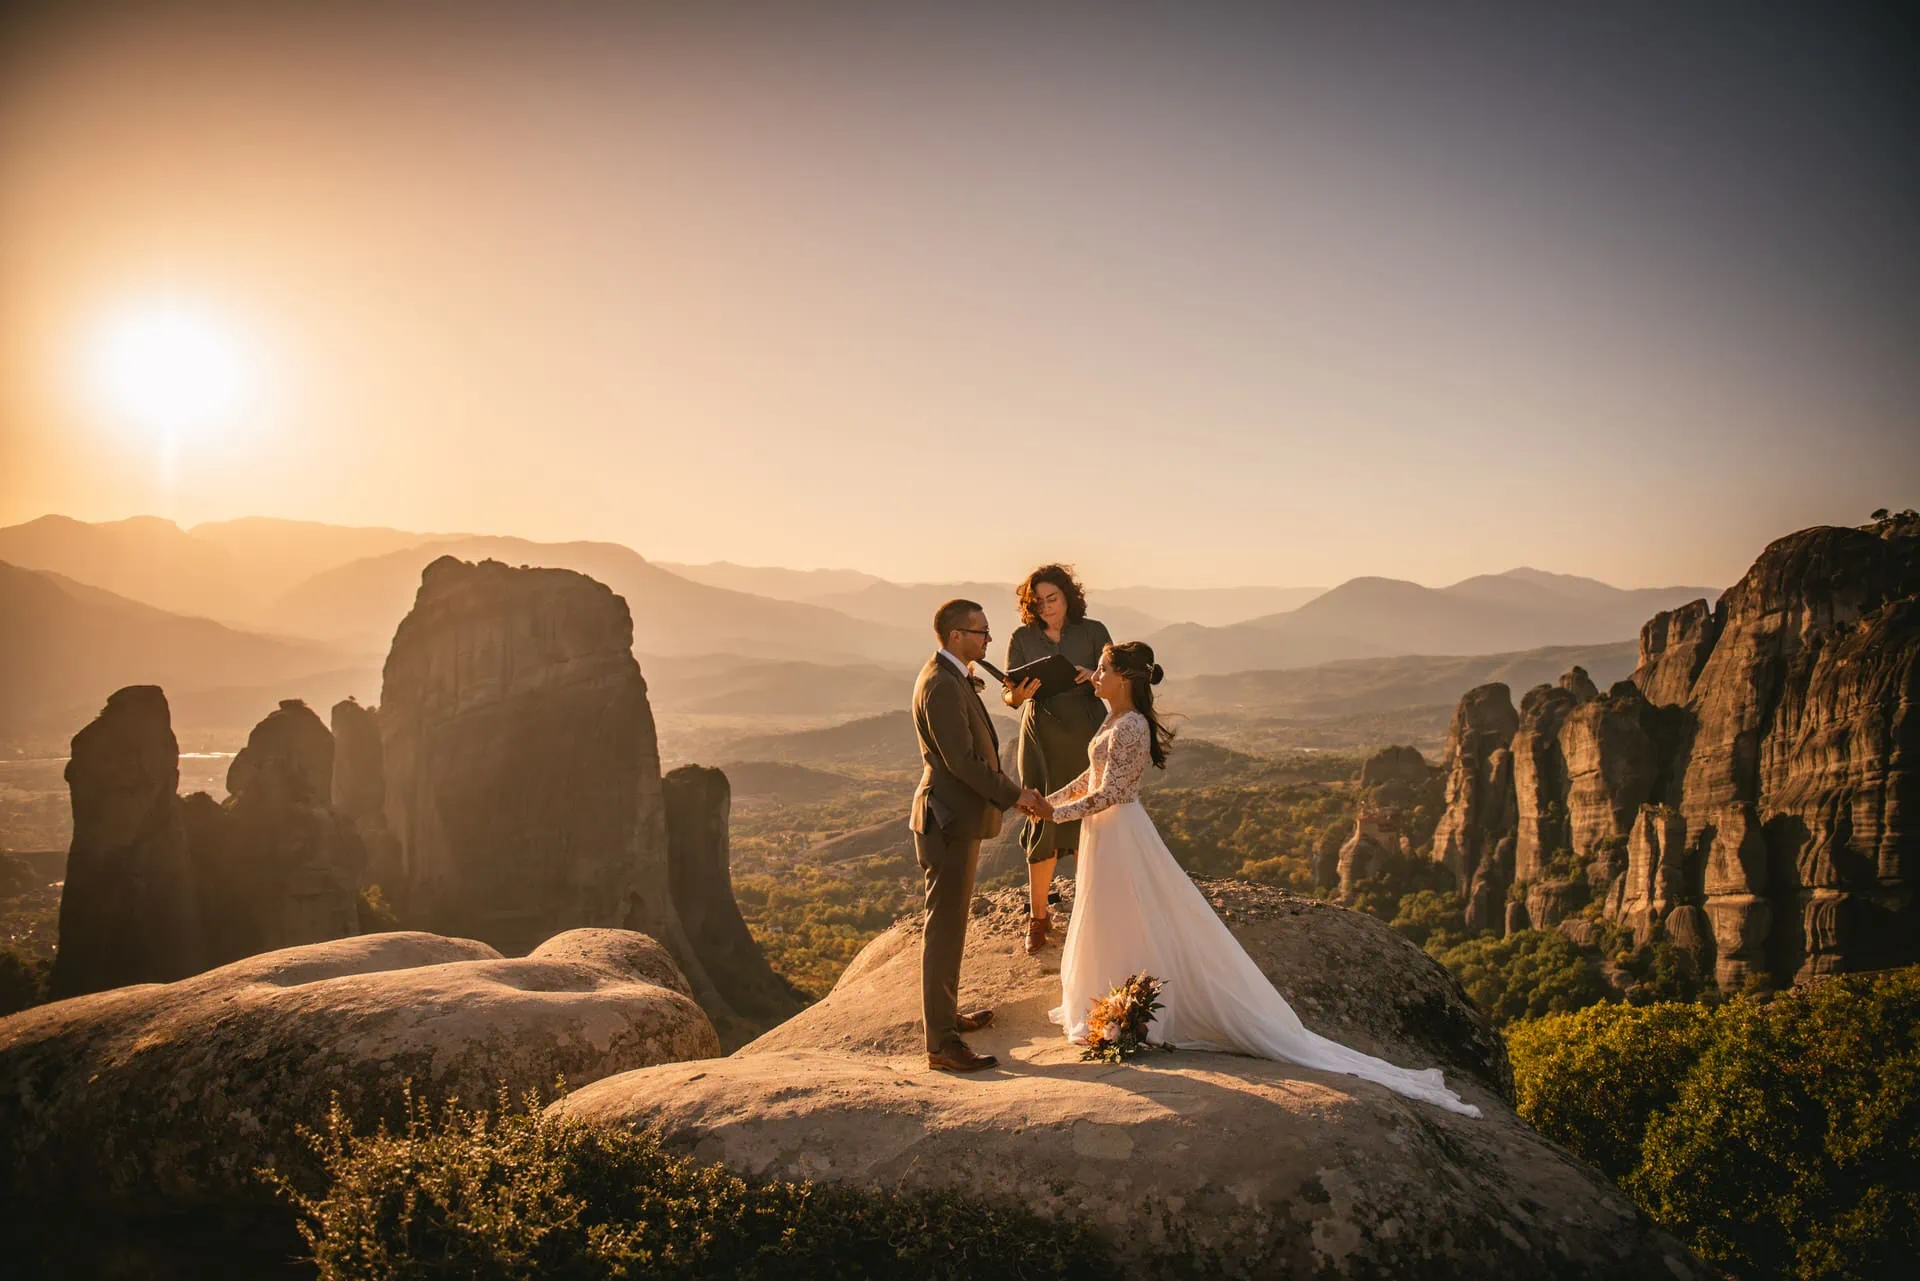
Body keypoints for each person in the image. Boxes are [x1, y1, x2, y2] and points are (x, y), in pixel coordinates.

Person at [1039, 641, 1482, 1117]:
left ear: (1125, 677)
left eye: (1102, 669)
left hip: (1120, 830)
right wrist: (1046, 800)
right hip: (1104, 832)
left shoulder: (1131, 725)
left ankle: (1134, 1004)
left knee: (1124, 911)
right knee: (1108, 911)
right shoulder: (1114, 718)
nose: (1094, 676)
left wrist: (1053, 813)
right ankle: (1108, 997)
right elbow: (1091, 776)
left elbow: (1112, 793)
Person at [908, 597, 1048, 1073]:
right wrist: (1016, 795)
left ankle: (946, 1020)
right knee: (944, 931)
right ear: (956, 636)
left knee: (951, 928)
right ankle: (941, 1045)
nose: (989, 639)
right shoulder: (941, 685)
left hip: (954, 819)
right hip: (947, 821)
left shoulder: (950, 677)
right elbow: (963, 762)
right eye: (981, 632)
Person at [1001, 564, 1111, 956]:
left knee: (1087, 820)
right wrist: (1017, 695)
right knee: (1041, 817)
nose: (1047, 607)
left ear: (1068, 597)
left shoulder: (1093, 631)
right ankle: (1038, 917)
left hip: (1086, 733)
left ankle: (1087, 915)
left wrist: (1092, 676)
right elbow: (1009, 695)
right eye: (1039, 602)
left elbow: (1116, 682)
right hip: (1041, 737)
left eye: (1053, 599)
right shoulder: (1022, 638)